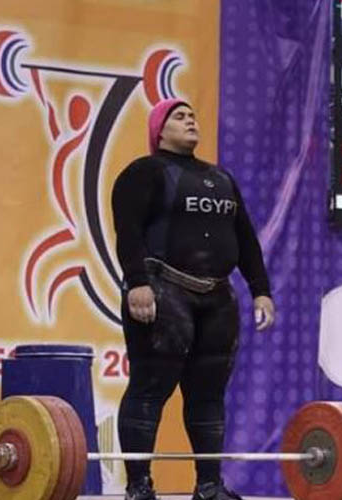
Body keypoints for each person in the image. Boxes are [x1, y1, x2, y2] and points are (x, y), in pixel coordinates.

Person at [111, 98, 275, 500]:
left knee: (209, 395)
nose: (190, 121)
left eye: (192, 115)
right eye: (179, 117)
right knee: (149, 388)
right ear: (159, 130)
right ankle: (139, 486)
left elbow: (245, 239)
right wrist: (137, 283)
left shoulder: (221, 178)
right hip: (163, 290)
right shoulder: (144, 172)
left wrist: (261, 290)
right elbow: (128, 231)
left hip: (217, 298)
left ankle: (208, 486)